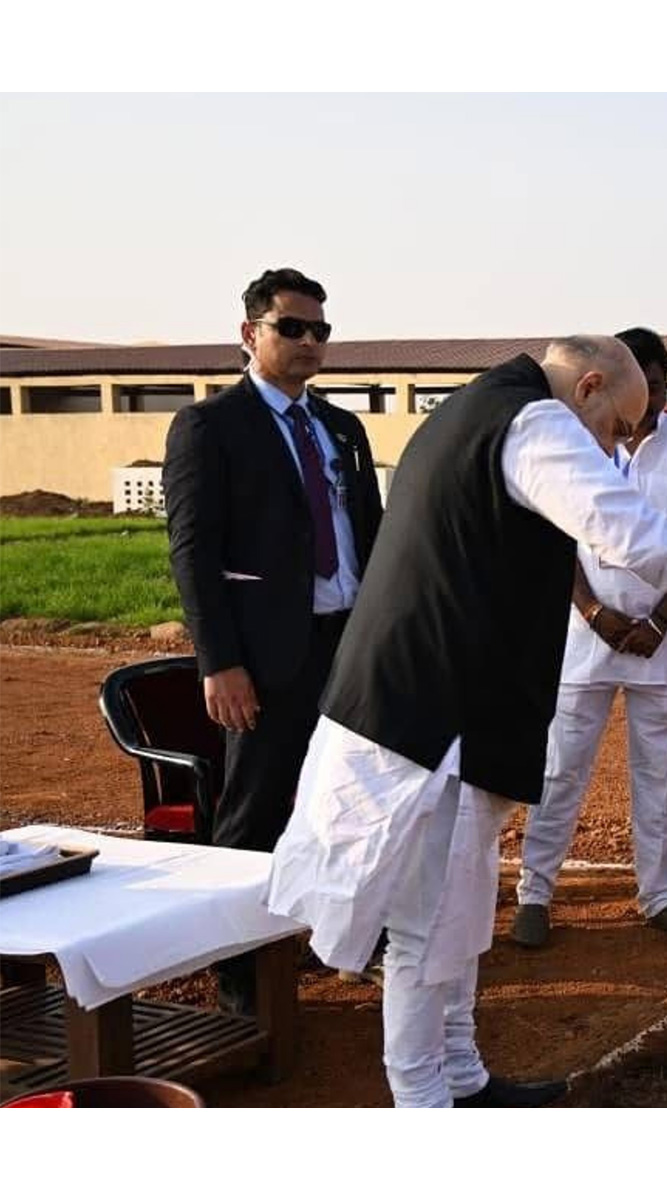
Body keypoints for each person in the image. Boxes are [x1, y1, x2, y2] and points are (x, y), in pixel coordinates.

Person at [268, 335, 667, 1107]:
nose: (619, 447)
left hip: (450, 713)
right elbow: (631, 531)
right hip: (425, 721)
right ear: (587, 388)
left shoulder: (485, 407)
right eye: (618, 429)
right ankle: (425, 1105)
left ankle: (463, 1075)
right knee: (426, 927)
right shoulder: (534, 423)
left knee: (457, 910)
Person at [163, 266, 383, 1013]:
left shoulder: (342, 428)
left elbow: (372, 537)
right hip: (264, 653)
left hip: (347, 644)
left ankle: (343, 939)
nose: (309, 342)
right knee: (255, 810)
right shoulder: (211, 426)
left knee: (349, 800)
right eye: (292, 327)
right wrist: (218, 662)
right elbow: (193, 551)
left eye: (320, 330)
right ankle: (241, 975)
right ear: (249, 333)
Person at [512, 329, 667, 946]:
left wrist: (660, 619)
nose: (648, 407)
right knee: (560, 768)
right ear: (604, 386)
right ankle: (534, 893)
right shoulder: (574, 444)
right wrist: (593, 613)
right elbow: (557, 540)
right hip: (586, 637)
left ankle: (660, 894)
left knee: (658, 775)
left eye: (661, 388)